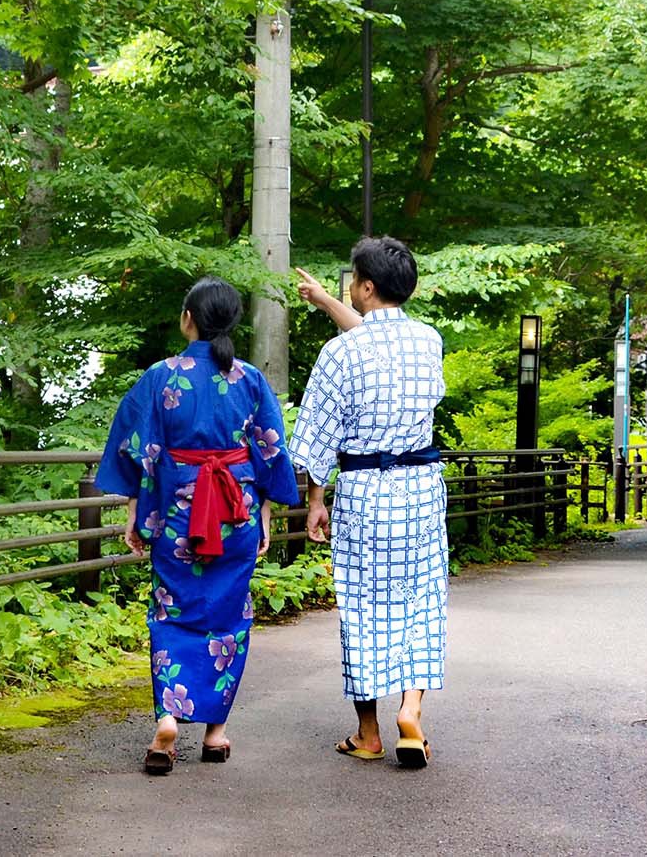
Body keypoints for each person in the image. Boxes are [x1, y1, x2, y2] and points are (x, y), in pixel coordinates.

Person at [96, 276, 300, 775]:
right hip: (236, 512)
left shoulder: (160, 377)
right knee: (228, 618)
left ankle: (168, 718)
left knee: (170, 612)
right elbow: (270, 449)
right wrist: (265, 514)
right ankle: (215, 732)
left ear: (189, 318)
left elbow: (138, 449)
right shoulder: (250, 379)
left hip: (178, 515)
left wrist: (135, 516)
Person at [290, 236, 448, 769]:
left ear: (365, 286)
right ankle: (412, 712)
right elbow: (381, 341)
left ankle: (368, 734)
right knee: (421, 600)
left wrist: (316, 499)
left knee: (363, 608)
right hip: (423, 490)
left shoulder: (339, 353)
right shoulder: (429, 341)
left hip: (364, 494)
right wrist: (325, 303)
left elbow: (315, 440)